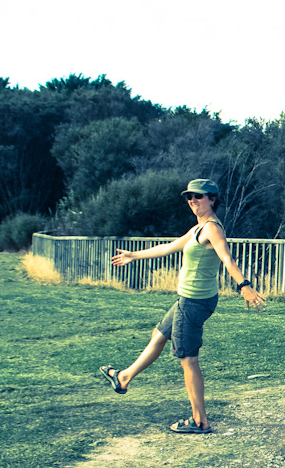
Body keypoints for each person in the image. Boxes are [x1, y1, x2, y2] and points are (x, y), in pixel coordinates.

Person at [101, 178, 265, 434]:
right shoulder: (197, 229)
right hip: (186, 300)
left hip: (194, 303)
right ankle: (123, 378)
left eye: (198, 196)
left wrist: (244, 285)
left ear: (212, 199)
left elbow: (227, 258)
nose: (192, 201)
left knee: (188, 359)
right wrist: (134, 255)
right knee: (159, 335)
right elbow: (168, 247)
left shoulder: (212, 228)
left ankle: (200, 421)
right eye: (189, 197)